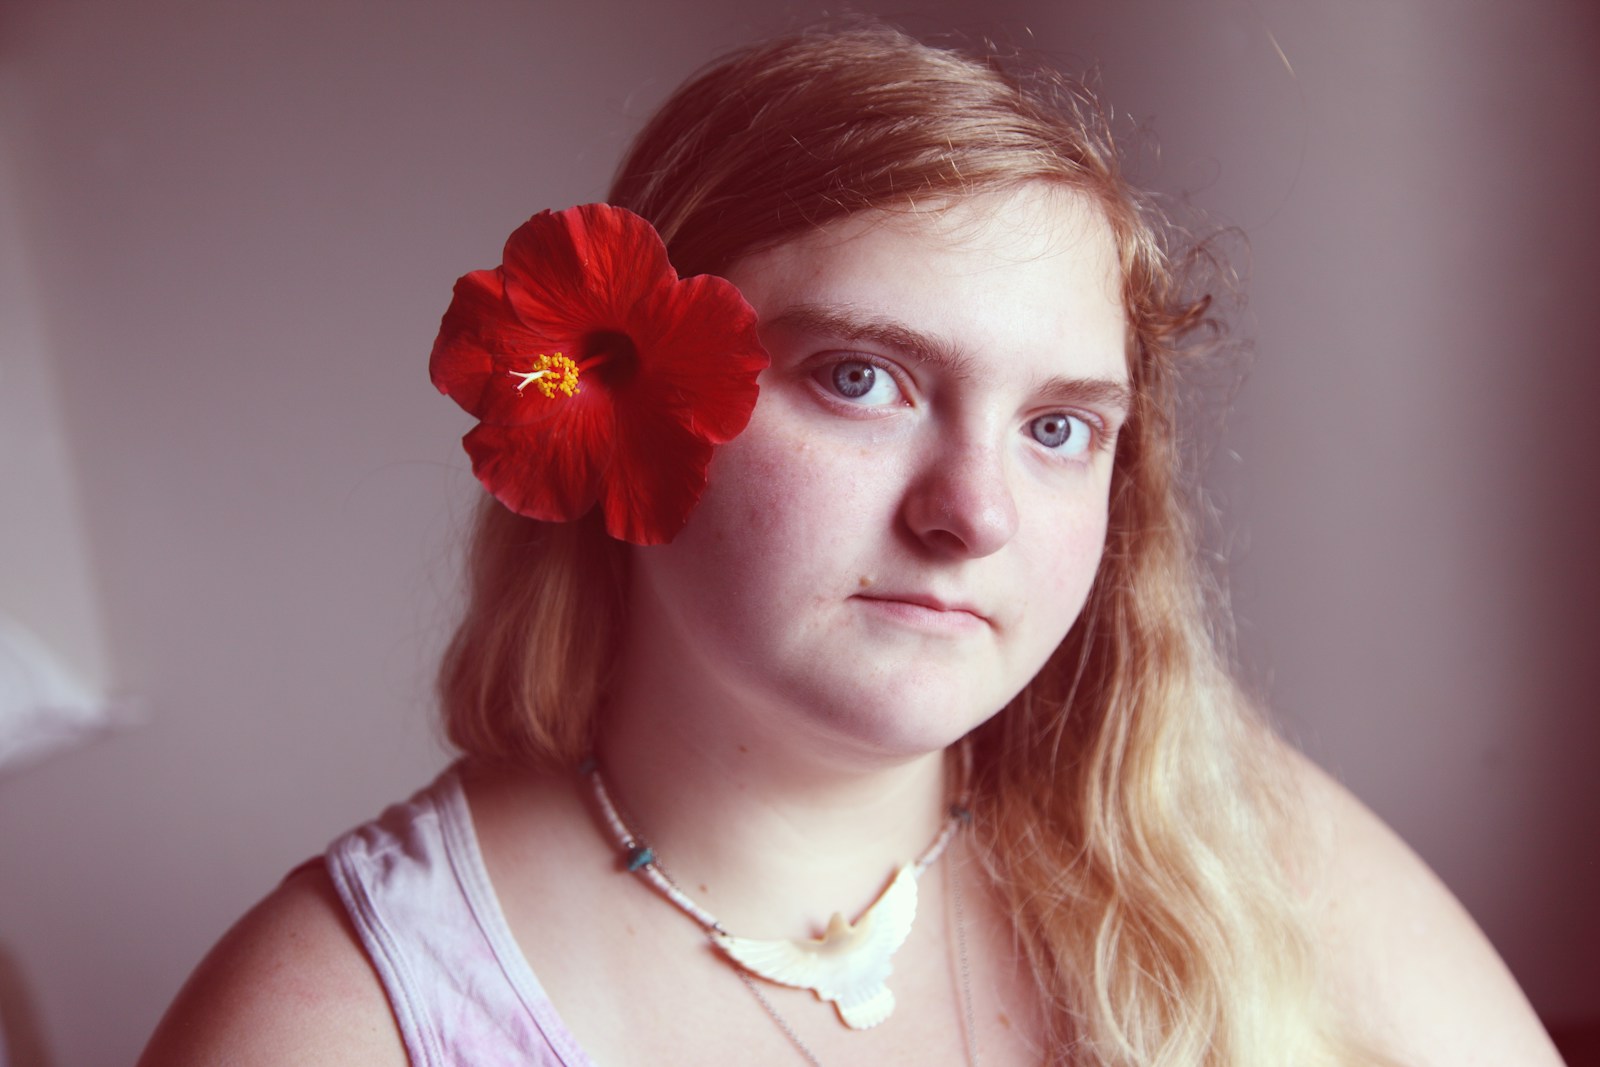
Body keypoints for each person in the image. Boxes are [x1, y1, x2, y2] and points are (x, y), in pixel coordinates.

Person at [139, 23, 1562, 1067]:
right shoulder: (333, 1022)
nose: (975, 511)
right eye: (863, 379)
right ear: (622, 397)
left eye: (1060, 427)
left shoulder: (1209, 821)